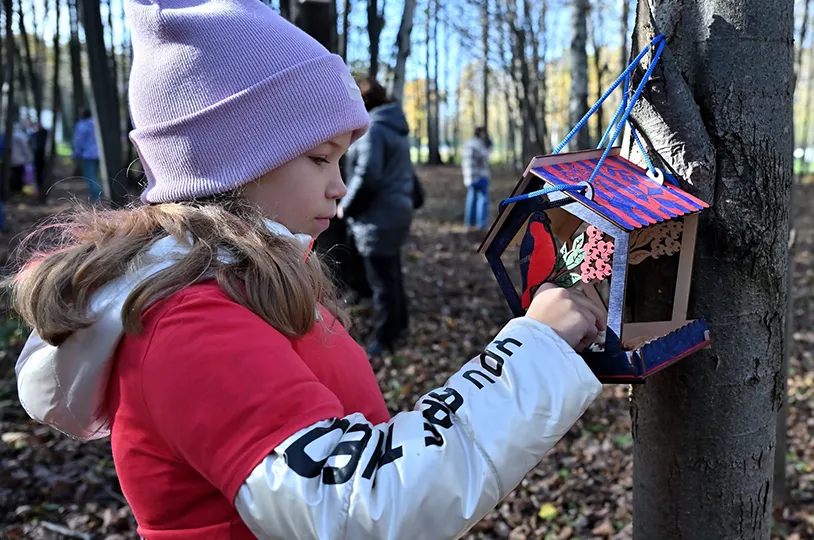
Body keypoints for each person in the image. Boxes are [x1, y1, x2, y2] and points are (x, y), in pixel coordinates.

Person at [9, 1, 606, 538]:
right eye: (321, 158)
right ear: (235, 159)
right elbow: (357, 506)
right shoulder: (188, 323)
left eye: (341, 160)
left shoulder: (248, 285)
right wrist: (534, 350)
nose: (338, 186)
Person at [342, 77, 415, 356]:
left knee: (381, 281)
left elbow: (368, 175)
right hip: (396, 210)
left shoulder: (373, 129)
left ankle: (384, 339)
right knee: (391, 272)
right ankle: (400, 324)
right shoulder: (395, 127)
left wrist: (345, 206)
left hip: (378, 216)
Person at [462, 126, 491, 231]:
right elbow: (485, 157)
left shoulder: (468, 144)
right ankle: (481, 224)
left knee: (471, 199)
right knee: (483, 200)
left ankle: (469, 222)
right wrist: (488, 146)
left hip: (469, 176)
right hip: (480, 175)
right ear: (480, 133)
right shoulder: (478, 144)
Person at [72, 108, 102, 201]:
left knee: (90, 176)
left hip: (87, 155)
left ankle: (96, 196)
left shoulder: (82, 125)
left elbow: (78, 141)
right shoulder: (98, 123)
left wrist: (76, 153)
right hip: (100, 154)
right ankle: (101, 194)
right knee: (97, 175)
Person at [8, 123, 32, 195]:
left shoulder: (8, 135)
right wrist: (29, 158)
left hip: (11, 160)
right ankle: (18, 191)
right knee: (19, 176)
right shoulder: (21, 136)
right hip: (20, 161)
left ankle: (13, 190)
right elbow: (25, 149)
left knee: (13, 176)